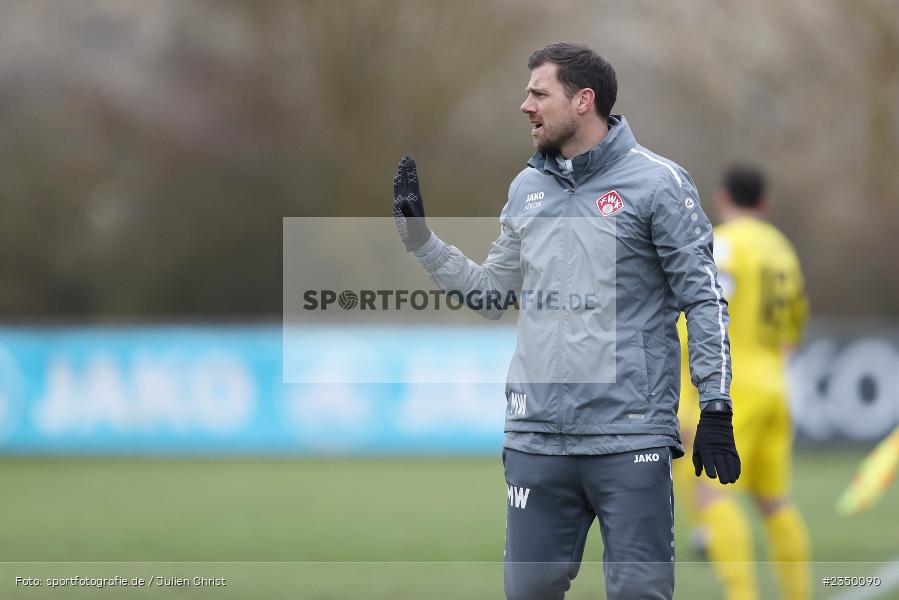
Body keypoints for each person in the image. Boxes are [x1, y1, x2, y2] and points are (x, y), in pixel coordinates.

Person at [392, 42, 741, 600]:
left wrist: (716, 405)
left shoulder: (659, 184)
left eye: (538, 93)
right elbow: (490, 294)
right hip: (535, 442)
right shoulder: (527, 188)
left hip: (630, 438)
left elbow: (704, 301)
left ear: (584, 100)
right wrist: (422, 242)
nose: (524, 106)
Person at [673, 165, 811, 600]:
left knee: (712, 494)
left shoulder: (726, 243)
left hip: (731, 387)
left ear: (722, 199)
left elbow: (707, 304)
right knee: (774, 501)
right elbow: (794, 328)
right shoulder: (782, 249)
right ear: (765, 203)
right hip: (775, 384)